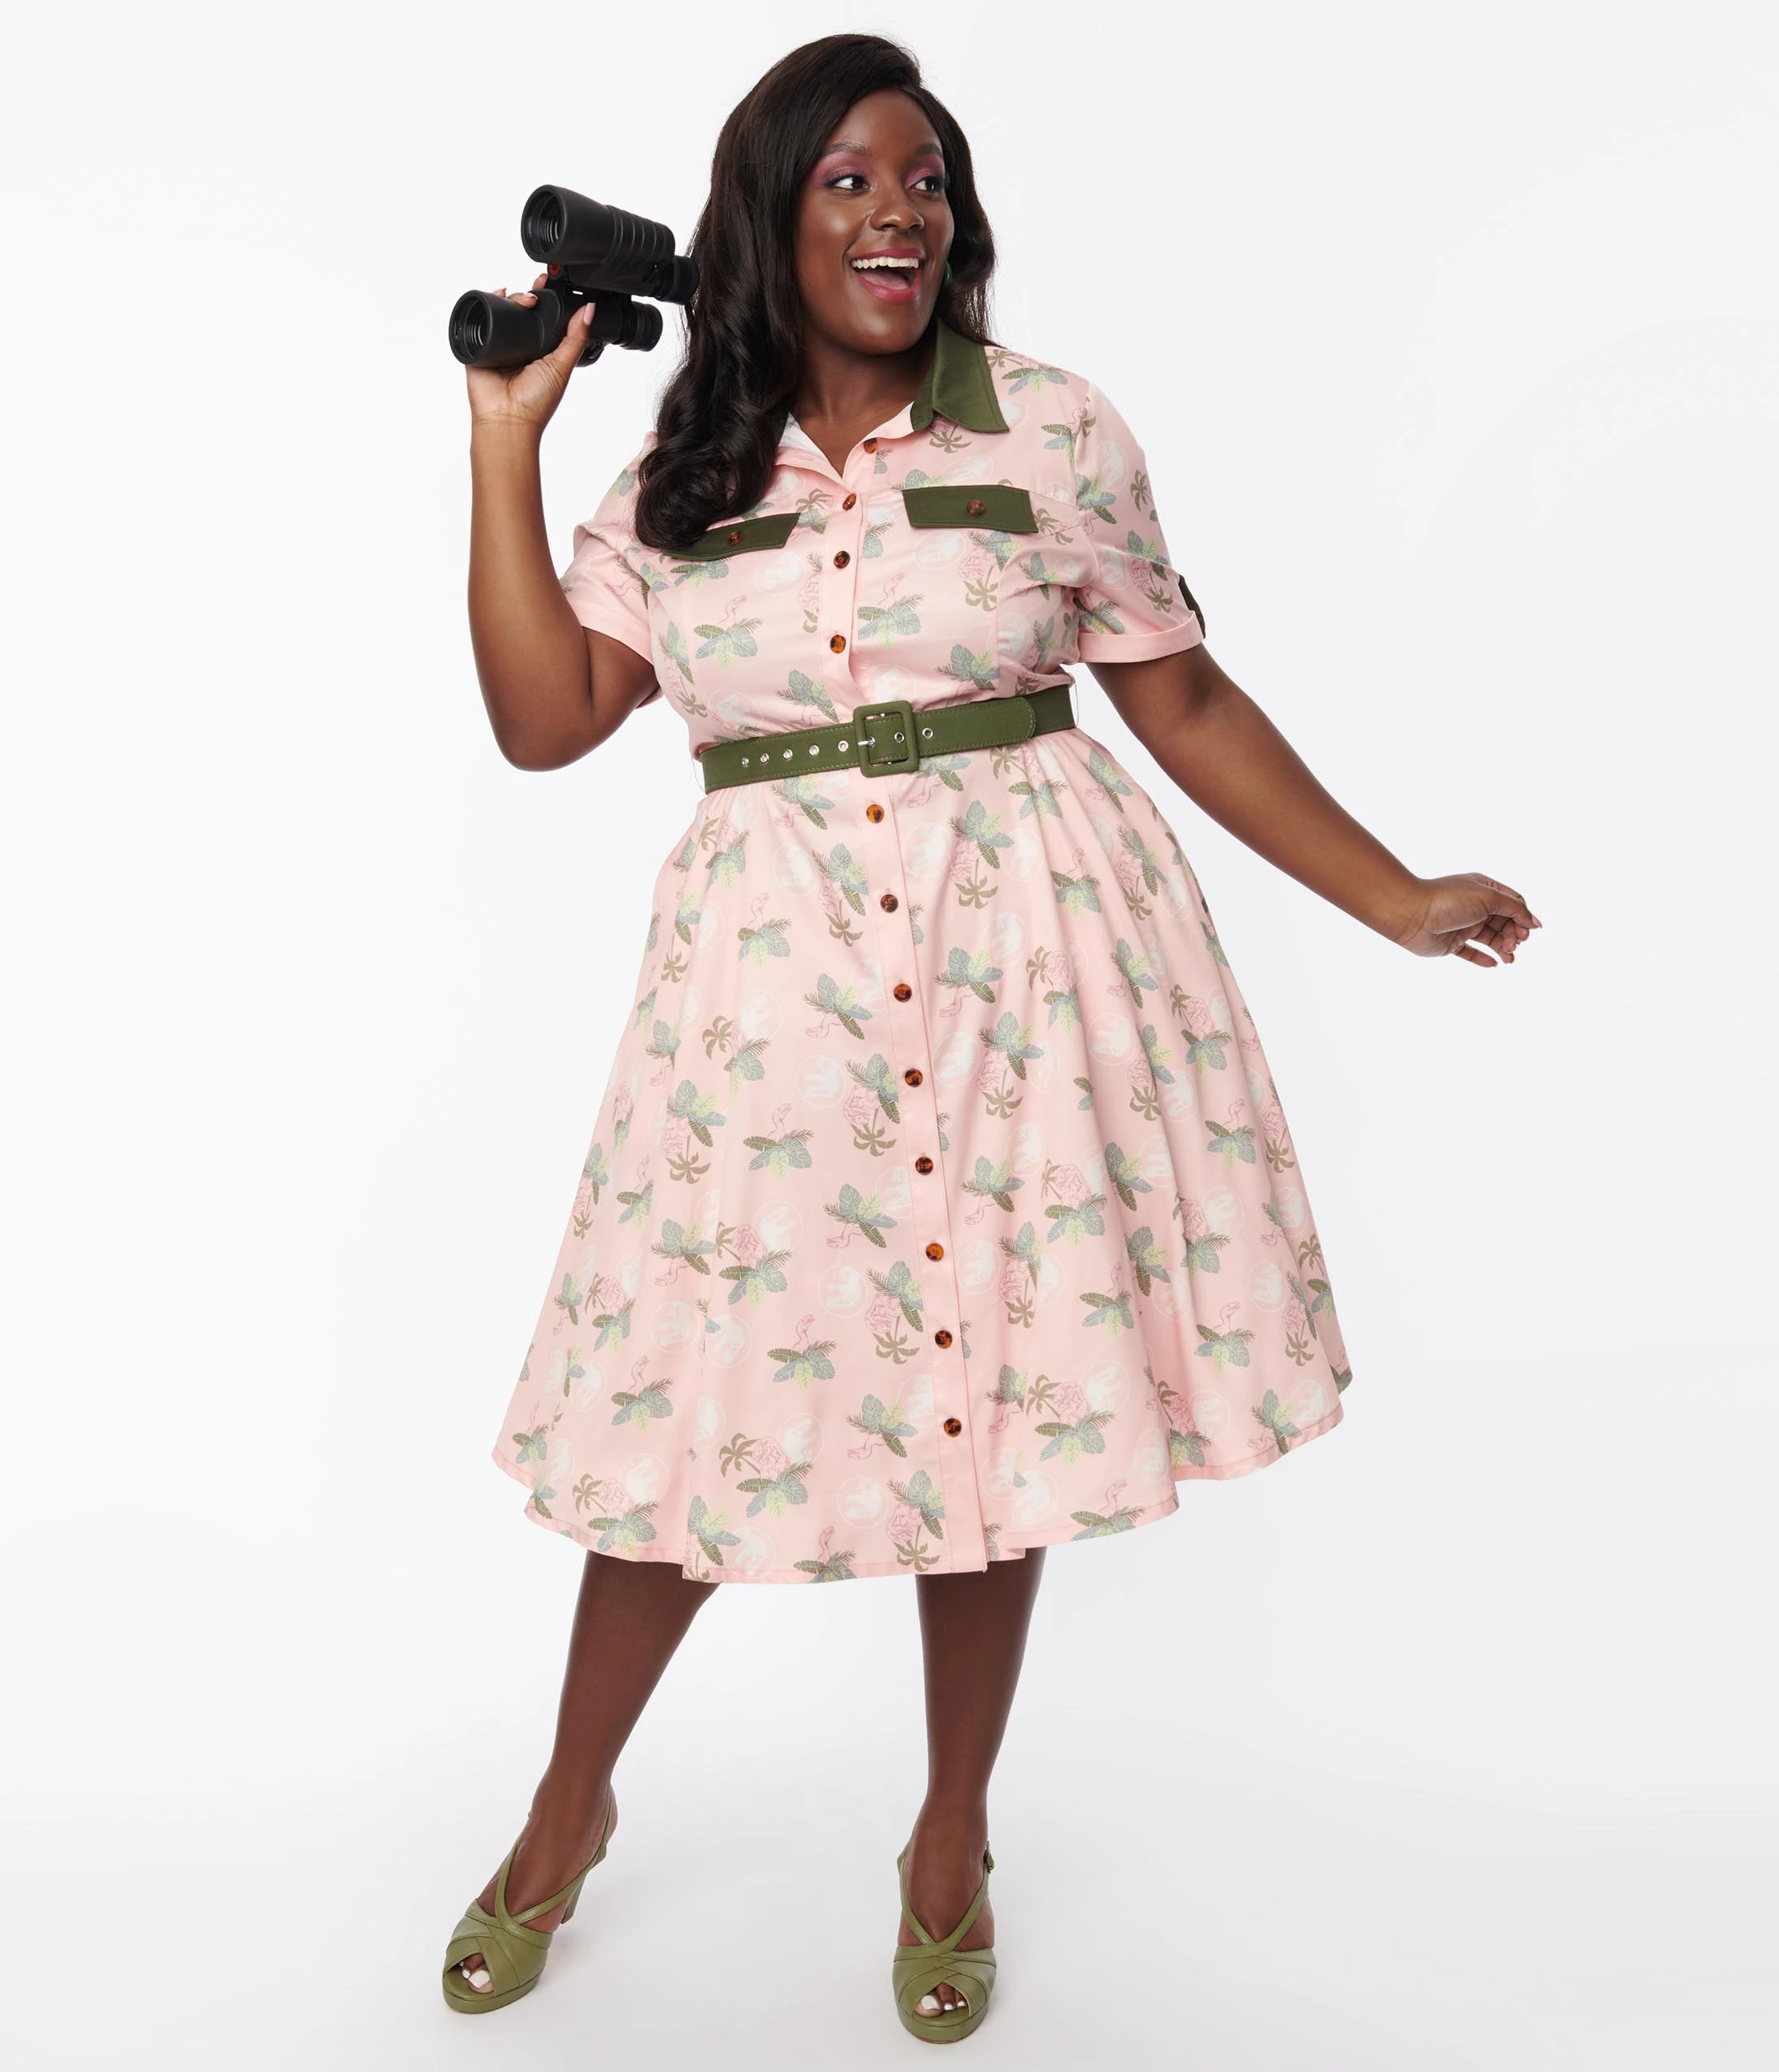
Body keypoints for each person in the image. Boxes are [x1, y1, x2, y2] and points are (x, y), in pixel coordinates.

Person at [444, 30, 1540, 2040]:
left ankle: (950, 1836)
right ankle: (564, 1807)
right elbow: (542, 720)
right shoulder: (678, 483)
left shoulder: (1052, 430)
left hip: (1028, 973)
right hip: (768, 1012)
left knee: (995, 1402)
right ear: (765, 222)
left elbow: (1178, 697)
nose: (901, 214)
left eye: (927, 179)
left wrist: (1390, 894)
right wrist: (505, 442)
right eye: (851, 180)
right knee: (695, 1411)